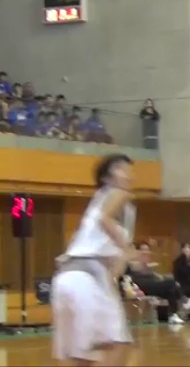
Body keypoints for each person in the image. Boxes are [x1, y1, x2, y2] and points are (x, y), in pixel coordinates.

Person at [51, 154, 138, 366]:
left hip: (65, 279)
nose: (128, 174)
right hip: (87, 277)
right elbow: (104, 220)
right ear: (106, 178)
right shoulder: (117, 193)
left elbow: (114, 267)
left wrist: (127, 257)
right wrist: (128, 249)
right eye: (120, 169)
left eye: (128, 169)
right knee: (115, 344)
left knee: (82, 355)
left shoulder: (97, 205)